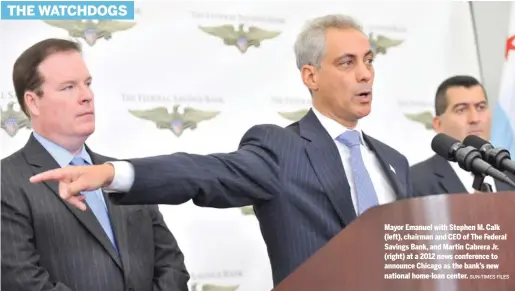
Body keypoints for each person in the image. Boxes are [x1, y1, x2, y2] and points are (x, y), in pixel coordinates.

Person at [29, 15, 414, 286]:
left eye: (368, 61)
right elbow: (203, 173)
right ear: (310, 76)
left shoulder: (394, 163)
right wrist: (114, 173)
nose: (365, 74)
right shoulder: (281, 149)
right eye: (347, 63)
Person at [2, 38, 190, 291]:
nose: (87, 96)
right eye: (68, 87)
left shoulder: (121, 174)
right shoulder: (6, 181)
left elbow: (172, 267)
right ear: (33, 102)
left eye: (87, 84)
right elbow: (23, 282)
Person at [410, 75, 515, 195]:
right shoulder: (414, 181)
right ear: (438, 124)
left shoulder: (514, 174)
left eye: (481, 107)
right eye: (461, 110)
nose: (475, 119)